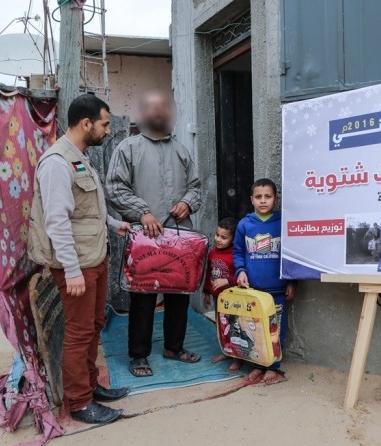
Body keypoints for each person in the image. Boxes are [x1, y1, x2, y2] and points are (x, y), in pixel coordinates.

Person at [27, 94, 131, 425]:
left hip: (94, 257)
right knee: (79, 332)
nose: (107, 130)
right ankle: (80, 402)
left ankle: (91, 386)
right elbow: (57, 221)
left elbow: (86, 209)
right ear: (86, 123)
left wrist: (113, 224)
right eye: (104, 124)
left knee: (94, 326)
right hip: (78, 265)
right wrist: (71, 271)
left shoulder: (78, 157)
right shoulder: (57, 163)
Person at [106, 90, 202, 377]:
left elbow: (195, 187)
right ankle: (138, 355)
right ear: (143, 114)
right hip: (144, 239)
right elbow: (115, 189)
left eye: (163, 109)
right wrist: (142, 212)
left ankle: (174, 347)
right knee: (143, 298)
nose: (159, 113)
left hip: (179, 238)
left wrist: (187, 203)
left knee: (179, 295)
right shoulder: (128, 148)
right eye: (153, 109)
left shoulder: (181, 150)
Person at [234, 178, 295, 385]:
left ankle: (273, 367)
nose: (263, 201)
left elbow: (290, 255)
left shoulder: (282, 222)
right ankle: (257, 365)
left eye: (267, 196)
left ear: (275, 199)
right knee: (254, 329)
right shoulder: (244, 224)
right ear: (251, 199)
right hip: (253, 291)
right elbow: (238, 252)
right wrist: (241, 271)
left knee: (275, 330)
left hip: (277, 291)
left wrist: (292, 281)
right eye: (258, 197)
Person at [203, 217, 241, 372]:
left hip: (232, 299)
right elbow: (209, 273)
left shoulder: (236, 255)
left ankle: (238, 358)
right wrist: (206, 292)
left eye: (224, 237)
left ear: (233, 239)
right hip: (217, 297)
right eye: (217, 235)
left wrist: (227, 281)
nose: (218, 239)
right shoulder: (212, 253)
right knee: (222, 326)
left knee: (235, 327)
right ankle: (226, 352)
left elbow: (242, 277)